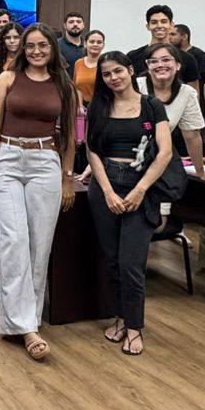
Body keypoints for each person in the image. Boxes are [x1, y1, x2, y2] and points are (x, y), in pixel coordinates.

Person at [0, 22, 78, 362]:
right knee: (13, 241)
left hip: (45, 161)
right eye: (30, 46)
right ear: (22, 49)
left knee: (39, 244)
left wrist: (67, 178)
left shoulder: (64, 85)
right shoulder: (7, 78)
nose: (36, 51)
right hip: (7, 158)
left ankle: (28, 320)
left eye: (42, 46)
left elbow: (70, 139)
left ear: (52, 49)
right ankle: (23, 326)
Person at [85, 51, 174, 357]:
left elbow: (165, 152)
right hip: (106, 183)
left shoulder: (151, 106)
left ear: (131, 70)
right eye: (107, 74)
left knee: (131, 263)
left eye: (118, 71)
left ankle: (135, 327)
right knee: (111, 259)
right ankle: (121, 317)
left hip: (141, 185)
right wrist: (108, 191)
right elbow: (93, 152)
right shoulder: (99, 105)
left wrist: (140, 190)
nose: (113, 78)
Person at [140, 44, 205, 179]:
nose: (160, 65)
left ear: (178, 65)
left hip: (159, 158)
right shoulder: (135, 87)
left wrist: (201, 172)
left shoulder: (187, 93)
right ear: (148, 67)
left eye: (166, 60)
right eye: (153, 61)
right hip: (125, 158)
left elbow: (192, 135)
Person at [124, 4, 176, 82]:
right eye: (154, 22)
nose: (159, 26)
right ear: (148, 26)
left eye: (164, 22)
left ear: (171, 25)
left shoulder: (186, 58)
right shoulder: (133, 57)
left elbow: (193, 91)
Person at [167, 23, 205, 95]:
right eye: (168, 35)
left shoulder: (199, 55)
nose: (169, 38)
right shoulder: (171, 55)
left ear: (184, 36)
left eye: (173, 34)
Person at [71, 29, 104, 103]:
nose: (95, 44)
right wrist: (79, 106)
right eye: (92, 42)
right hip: (82, 108)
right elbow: (77, 87)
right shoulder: (78, 63)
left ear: (103, 45)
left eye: (99, 42)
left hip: (102, 106)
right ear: (85, 44)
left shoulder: (106, 63)